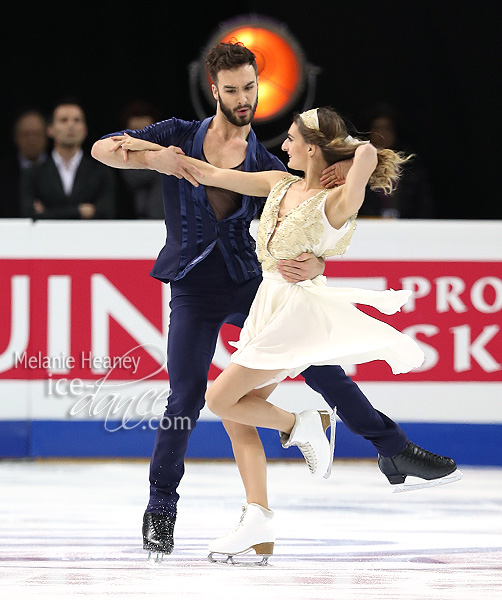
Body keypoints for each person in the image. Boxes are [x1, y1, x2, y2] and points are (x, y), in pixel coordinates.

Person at [91, 42, 459, 563]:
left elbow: (309, 224)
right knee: (186, 396)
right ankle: (162, 507)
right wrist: (158, 159)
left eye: (250, 88)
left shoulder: (269, 164)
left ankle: (390, 448)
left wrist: (320, 265)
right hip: (193, 286)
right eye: (234, 90)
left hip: (251, 285)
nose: (245, 100)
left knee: (322, 368)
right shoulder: (176, 133)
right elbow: (102, 150)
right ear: (214, 89)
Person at [21, 99, 116, 219]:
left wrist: (47, 213)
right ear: (50, 129)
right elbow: (29, 214)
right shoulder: (33, 174)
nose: (71, 125)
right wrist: (80, 211)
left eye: (77, 120)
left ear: (85, 129)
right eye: (63, 120)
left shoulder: (101, 172)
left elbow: (105, 213)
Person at [358, 103, 435, 219]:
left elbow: (424, 205)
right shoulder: (358, 164)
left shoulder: (412, 166)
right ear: (369, 131)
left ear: (395, 131)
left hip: (407, 228)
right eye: (377, 128)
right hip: (369, 226)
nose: (382, 134)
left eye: (387, 128)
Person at [115, 100, 164, 219]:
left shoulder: (167, 162)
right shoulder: (113, 163)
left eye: (146, 132)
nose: (141, 140)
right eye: (136, 132)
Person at [0, 110, 48, 218]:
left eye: (36, 134)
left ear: (47, 134)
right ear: (16, 137)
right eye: (26, 134)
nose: (32, 139)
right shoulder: (3, 172)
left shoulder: (57, 169)